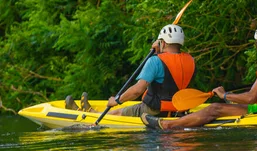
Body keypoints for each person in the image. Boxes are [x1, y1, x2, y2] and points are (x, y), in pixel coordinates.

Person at [141, 22, 257, 130]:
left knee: (214, 108)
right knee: (218, 105)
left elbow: (251, 99)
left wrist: (225, 95)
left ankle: (170, 125)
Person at [65, 24, 196, 118]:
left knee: (118, 111)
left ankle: (90, 114)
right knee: (129, 107)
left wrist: (116, 100)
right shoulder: (191, 61)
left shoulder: (155, 61)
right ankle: (90, 111)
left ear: (163, 42)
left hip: (154, 111)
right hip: (179, 111)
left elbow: (137, 90)